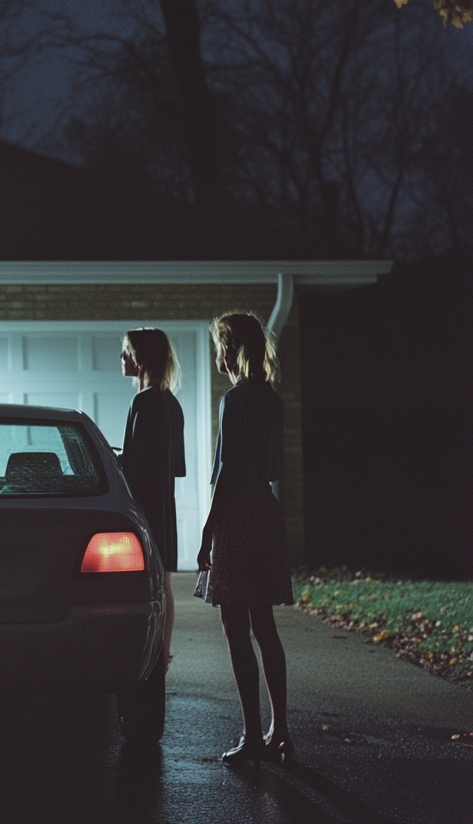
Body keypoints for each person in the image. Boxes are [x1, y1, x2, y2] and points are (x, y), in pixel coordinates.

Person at [197, 311, 295, 766]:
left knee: (236, 628)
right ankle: (281, 730)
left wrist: (206, 529)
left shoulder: (234, 400)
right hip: (266, 510)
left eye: (219, 344)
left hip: (236, 515)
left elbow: (226, 473)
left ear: (230, 347)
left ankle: (253, 735)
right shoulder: (272, 399)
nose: (218, 352)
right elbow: (272, 469)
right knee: (265, 625)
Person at [120, 328, 185, 673]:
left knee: (147, 585)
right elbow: (175, 465)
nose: (122, 359)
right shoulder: (171, 403)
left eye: (126, 352)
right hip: (165, 503)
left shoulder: (143, 402)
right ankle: (162, 655)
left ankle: (150, 658)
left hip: (143, 505)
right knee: (164, 582)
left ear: (141, 358)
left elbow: (134, 465)